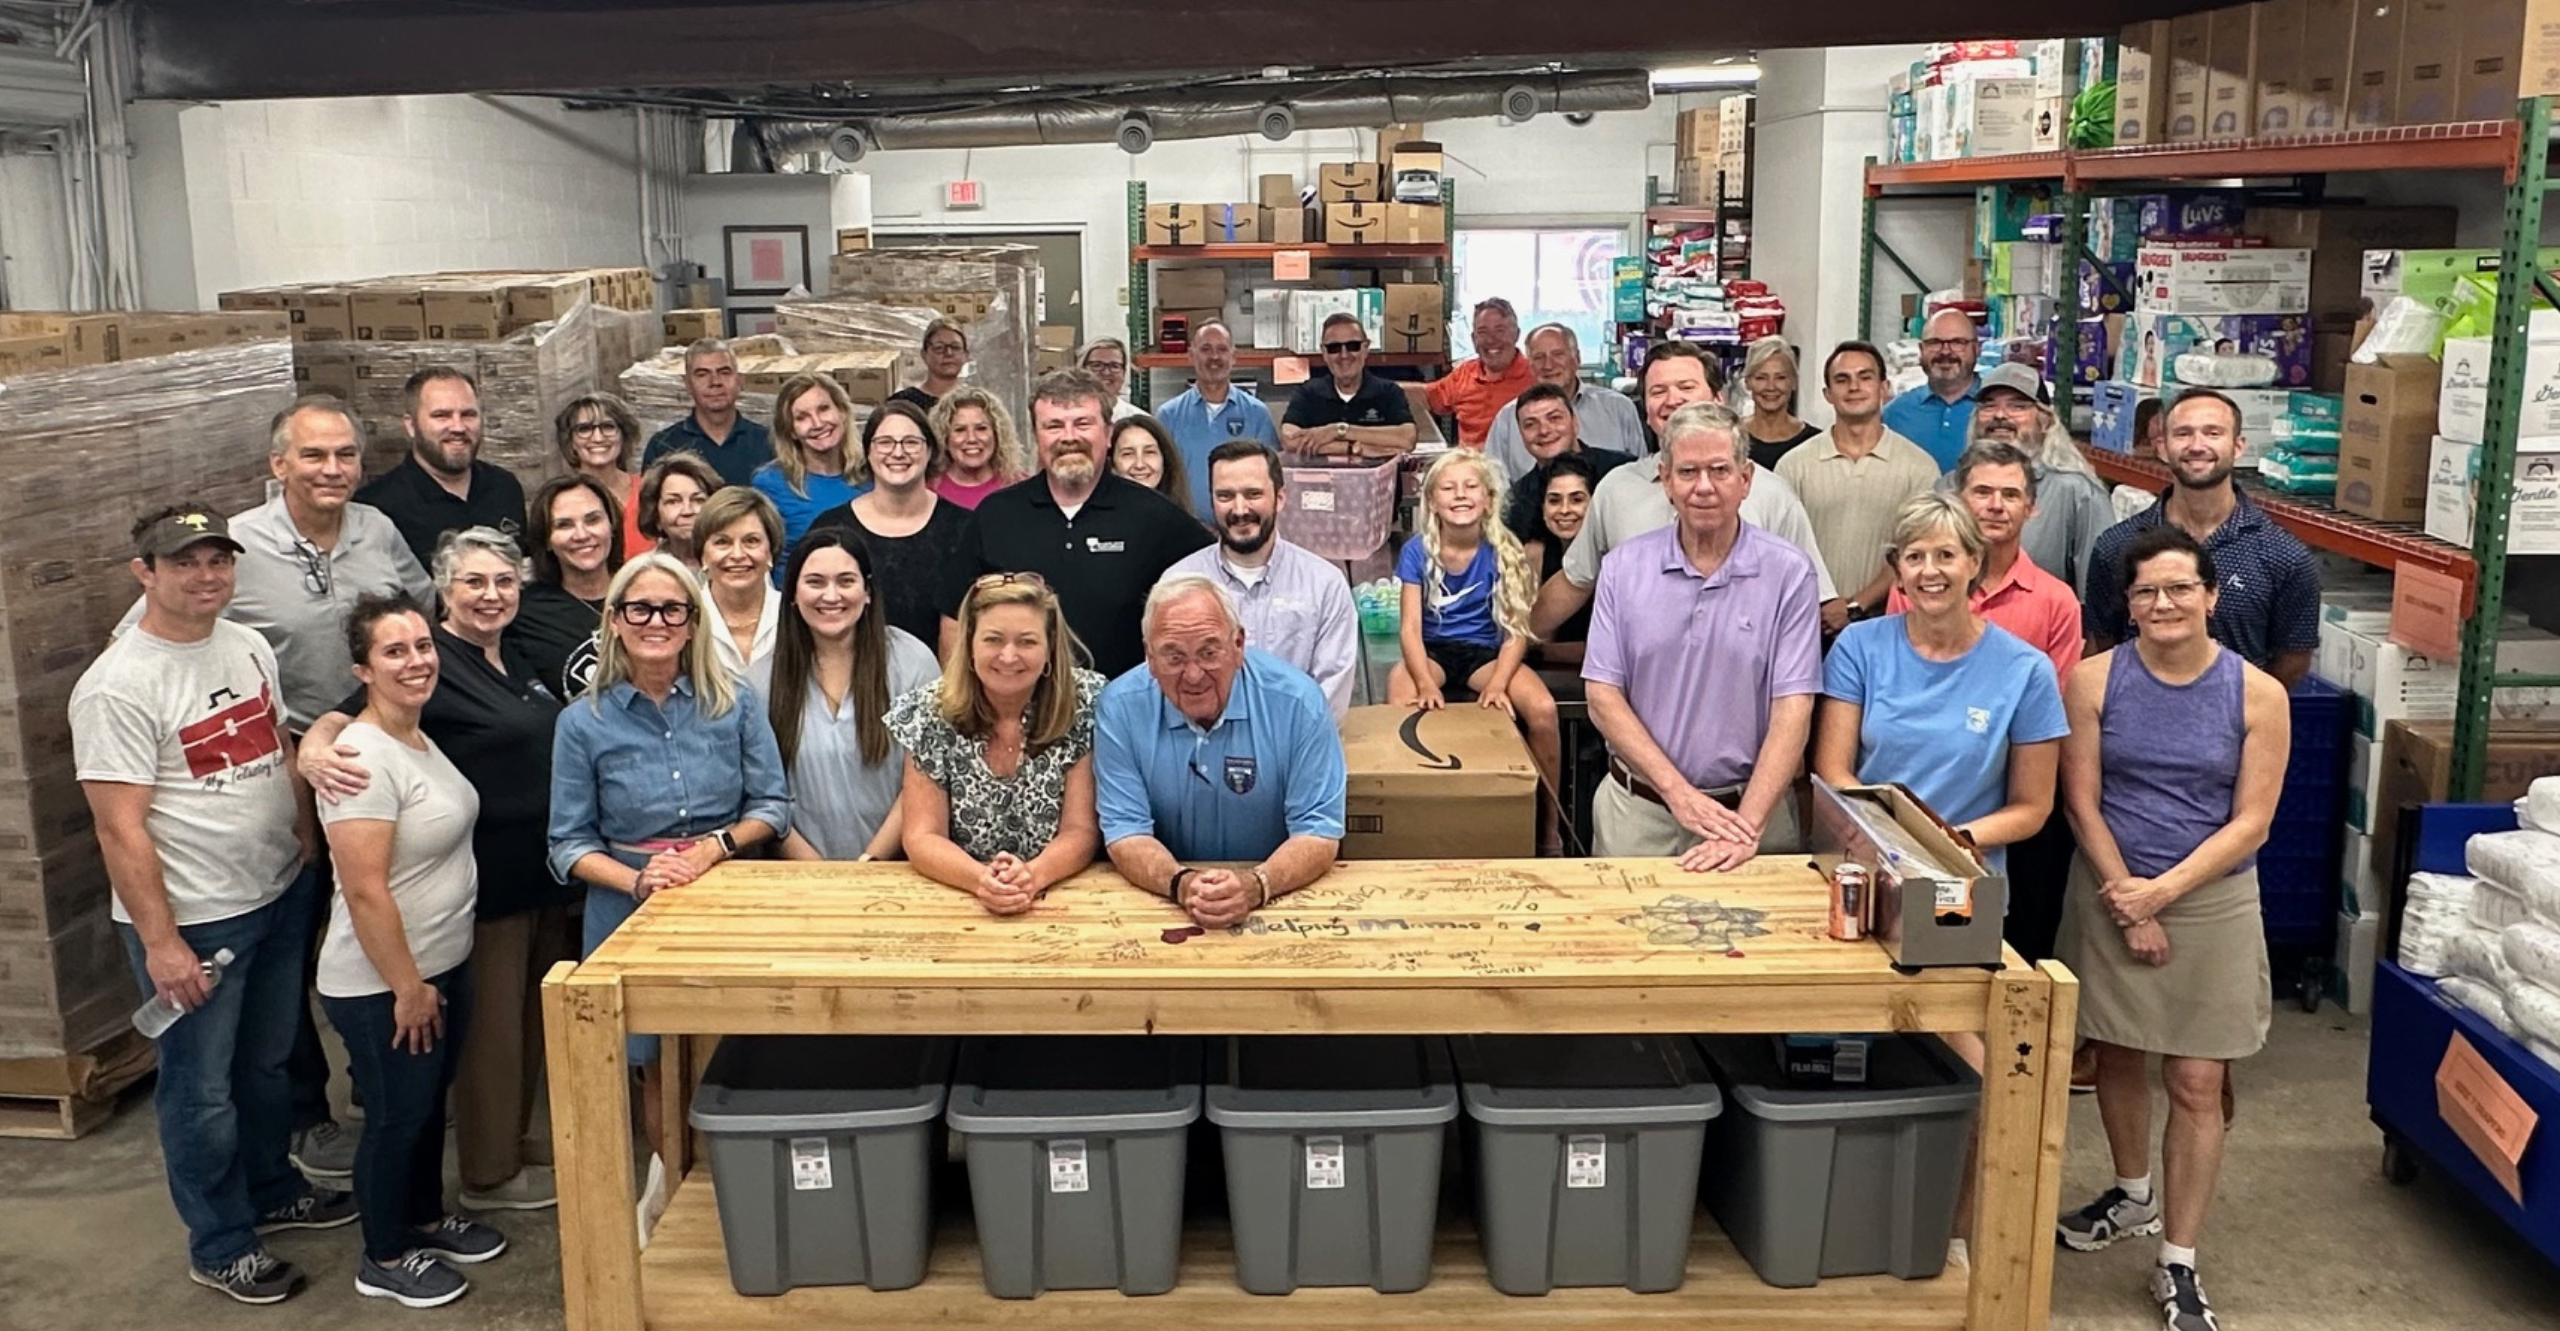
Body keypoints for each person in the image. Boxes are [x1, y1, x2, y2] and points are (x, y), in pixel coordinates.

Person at [75, 505, 352, 1305]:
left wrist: (303, 837)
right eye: (186, 563)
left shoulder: (247, 643)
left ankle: (272, 1188)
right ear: (145, 573)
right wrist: (162, 944)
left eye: (218, 561)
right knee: (201, 1088)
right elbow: (118, 827)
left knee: (266, 1066)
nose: (206, 577)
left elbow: (278, 748)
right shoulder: (118, 685)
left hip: (275, 889)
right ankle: (221, 1239)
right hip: (197, 918)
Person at [158, 396, 434, 1182]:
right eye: (314, 456)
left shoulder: (377, 529)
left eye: (346, 454)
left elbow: (418, 611)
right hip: (285, 766)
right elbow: (178, 644)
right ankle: (307, 1115)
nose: (333, 469)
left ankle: (385, 1084)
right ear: (279, 464)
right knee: (295, 934)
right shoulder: (232, 548)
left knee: (374, 917)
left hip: (375, 752)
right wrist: (293, 745)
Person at [2054, 527, 2289, 1331]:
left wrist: (2162, 895)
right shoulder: (2090, 682)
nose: (2164, 604)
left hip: (2211, 897)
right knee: (2117, 1050)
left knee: (2195, 1081)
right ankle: (2130, 1194)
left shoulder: (2258, 695)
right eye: (2148, 592)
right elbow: (2081, 800)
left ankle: (2178, 1261)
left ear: (2213, 597)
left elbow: (2252, 820)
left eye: (2180, 589)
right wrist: (2126, 892)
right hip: (2110, 881)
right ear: (2129, 604)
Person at [298, 529, 573, 1215]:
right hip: (487, 888)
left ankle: (511, 1141)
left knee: (529, 1029)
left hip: (543, 877)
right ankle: (488, 1171)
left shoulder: (515, 655)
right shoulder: (430, 659)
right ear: (444, 591)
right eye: (473, 582)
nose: (491, 595)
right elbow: (340, 716)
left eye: (504, 582)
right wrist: (311, 752)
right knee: (491, 1041)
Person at [546, 551, 790, 1198]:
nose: (656, 620)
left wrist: (713, 847)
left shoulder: (732, 702)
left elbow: (772, 804)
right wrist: (637, 880)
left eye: (672, 608)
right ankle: (686, 1192)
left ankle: (750, 1186)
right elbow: (567, 842)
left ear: (691, 621)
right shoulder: (581, 722)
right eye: (640, 607)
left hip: (730, 895)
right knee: (657, 1062)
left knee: (745, 1046)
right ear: (616, 620)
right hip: (631, 906)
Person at [316, 594, 511, 1307]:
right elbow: (366, 890)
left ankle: (424, 1216)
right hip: (382, 981)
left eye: (423, 646)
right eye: (394, 651)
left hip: (438, 961)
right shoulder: (359, 758)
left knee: (426, 1105)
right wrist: (406, 985)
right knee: (396, 1114)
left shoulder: (416, 737)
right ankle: (385, 1252)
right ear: (361, 668)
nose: (416, 661)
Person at [1581, 403, 1824, 870]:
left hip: (1752, 818)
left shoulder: (1789, 572)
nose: (1704, 487)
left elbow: (1794, 709)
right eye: (1689, 472)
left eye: (1720, 470)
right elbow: (1603, 697)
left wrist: (1745, 828)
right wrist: (1679, 795)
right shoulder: (1622, 569)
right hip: (1639, 816)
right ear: (1666, 481)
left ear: (1746, 479)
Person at [1814, 492, 2066, 886]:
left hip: (1964, 878)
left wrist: (1946, 844)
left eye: (1946, 555)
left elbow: (2032, 808)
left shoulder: (2027, 670)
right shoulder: (1858, 647)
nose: (1930, 571)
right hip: (1870, 867)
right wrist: (1890, 840)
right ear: (1897, 571)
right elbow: (1833, 769)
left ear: (1974, 561)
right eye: (1915, 557)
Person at [1904, 442, 2087, 964]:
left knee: (1998, 957)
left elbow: (2050, 711)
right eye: (1981, 492)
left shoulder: (2055, 601)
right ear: (1959, 499)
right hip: (1928, 797)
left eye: (2010, 494)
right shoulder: (1923, 583)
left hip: (2011, 812)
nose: (1995, 505)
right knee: (1912, 961)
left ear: (2033, 507)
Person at [1528, 342, 1840, 641]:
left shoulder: (1772, 494)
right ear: (1647, 412)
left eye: (1686, 387)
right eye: (1658, 391)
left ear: (1719, 400)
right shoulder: (1615, 490)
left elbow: (1811, 599)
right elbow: (1575, 581)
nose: (1672, 399)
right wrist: (1515, 643)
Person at [1096, 575, 1347, 928]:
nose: (1194, 674)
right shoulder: (1119, 708)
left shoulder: (1299, 702)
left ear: (1239, 644)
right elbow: (1126, 831)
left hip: (1277, 897)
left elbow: (1318, 831)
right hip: (1163, 900)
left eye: (1209, 652)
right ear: (1149, 657)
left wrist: (1256, 885)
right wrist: (1182, 885)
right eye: (1174, 657)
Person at [944, 370, 1213, 677]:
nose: (1069, 437)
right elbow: (954, 620)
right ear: (1036, 435)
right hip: (1019, 711)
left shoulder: (1154, 516)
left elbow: (1215, 585)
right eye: (1054, 425)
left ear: (1109, 433)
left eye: (1083, 423)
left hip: (1121, 712)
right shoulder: (996, 514)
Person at [887, 574, 1104, 914]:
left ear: (1049, 649)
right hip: (958, 895)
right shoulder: (928, 711)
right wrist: (981, 880)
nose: (1008, 655)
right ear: (969, 645)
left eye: (1027, 642)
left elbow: (1081, 831)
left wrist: (1031, 876)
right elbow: (922, 836)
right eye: (993, 639)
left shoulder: (1084, 704)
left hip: (1062, 892)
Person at [2083, 390, 2320, 687]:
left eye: (2213, 433)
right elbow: (2101, 644)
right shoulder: (2116, 547)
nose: (2197, 446)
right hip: (2136, 721)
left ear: (2238, 446)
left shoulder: (2284, 557)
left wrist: (2240, 708)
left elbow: (2293, 659)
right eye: (2183, 434)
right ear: (2162, 447)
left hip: (2239, 726)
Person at [1391, 449, 1562, 854]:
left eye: (1471, 487)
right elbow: (1410, 629)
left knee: (1543, 710)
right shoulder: (1417, 551)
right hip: (1432, 650)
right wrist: (1421, 681)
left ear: (1488, 498)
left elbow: (1516, 629)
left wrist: (1500, 683)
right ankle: (1408, 825)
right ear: (1432, 500)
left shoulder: (1506, 549)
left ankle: (1548, 826)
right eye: (1449, 488)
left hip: (1486, 652)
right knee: (1399, 702)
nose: (1461, 495)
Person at [754, 530, 941, 860]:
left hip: (899, 869)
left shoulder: (913, 662)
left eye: (845, 581)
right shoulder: (758, 680)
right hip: (798, 876)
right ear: (793, 594)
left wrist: (870, 863)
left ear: (867, 591)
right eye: (815, 582)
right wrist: (817, 874)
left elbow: (926, 779)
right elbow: (763, 796)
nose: (831, 595)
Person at [1163, 441, 1359, 719]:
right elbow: (1167, 683)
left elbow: (1330, 693)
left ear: (1280, 498)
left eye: (1253, 494)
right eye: (1225, 496)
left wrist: (1279, 747)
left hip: (1297, 754)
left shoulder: (1325, 585)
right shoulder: (1177, 585)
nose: (1240, 509)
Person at [1777, 341, 1940, 624]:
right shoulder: (1793, 466)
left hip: (1889, 624)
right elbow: (1780, 550)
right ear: (1828, 394)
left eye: (1865, 377)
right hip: (1806, 622)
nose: (1854, 387)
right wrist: (1820, 606)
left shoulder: (1920, 468)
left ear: (1884, 389)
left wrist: (1856, 604)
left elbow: (1919, 550)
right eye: (1842, 380)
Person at [810, 401, 979, 654]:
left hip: (943, 682)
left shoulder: (966, 528)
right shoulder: (832, 528)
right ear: (868, 451)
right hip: (853, 682)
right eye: (885, 442)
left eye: (911, 442)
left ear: (930, 450)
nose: (898, 453)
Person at [1963, 363, 2116, 593]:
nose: (2000, 415)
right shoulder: (1949, 485)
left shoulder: (2077, 492)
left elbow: (2101, 592)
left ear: (2044, 420)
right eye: (1989, 405)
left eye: (2017, 406)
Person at [357, 366, 527, 568]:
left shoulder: (504, 486)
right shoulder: (376, 508)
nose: (458, 427)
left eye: (468, 414)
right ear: (411, 425)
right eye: (441, 415)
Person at [1484, 323, 1648, 481]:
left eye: (1558, 354)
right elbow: (1494, 488)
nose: (1548, 365)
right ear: (1530, 366)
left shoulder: (1619, 408)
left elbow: (1642, 477)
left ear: (1577, 358)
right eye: (1539, 357)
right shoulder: (1508, 418)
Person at [512, 474, 623, 699]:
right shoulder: (524, 615)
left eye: (593, 520)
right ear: (546, 540)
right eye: (564, 525)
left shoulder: (646, 592)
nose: (582, 535)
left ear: (611, 525)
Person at [1154, 319, 1281, 514]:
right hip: (1185, 531)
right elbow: (1160, 481)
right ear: (1191, 356)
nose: (1214, 357)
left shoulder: (1257, 414)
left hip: (1243, 525)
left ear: (1234, 357)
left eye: (1222, 349)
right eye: (1205, 349)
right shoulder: (1168, 416)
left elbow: (1271, 478)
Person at [1496, 382, 1635, 543]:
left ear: (1575, 423)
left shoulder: (1621, 471)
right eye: (1531, 424)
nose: (1544, 431)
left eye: (1554, 418)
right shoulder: (1517, 503)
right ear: (1521, 434)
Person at [750, 372, 867, 552]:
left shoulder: (871, 475)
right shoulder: (770, 483)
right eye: (802, 417)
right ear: (791, 431)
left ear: (842, 412)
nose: (817, 423)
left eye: (824, 409)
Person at [1279, 313, 1419, 460]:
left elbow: (1407, 439)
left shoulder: (1389, 392)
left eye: (1353, 346)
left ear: (1366, 349)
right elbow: (1289, 439)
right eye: (1334, 348)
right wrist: (1353, 448)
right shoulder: (1308, 393)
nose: (1344, 355)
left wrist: (1337, 431)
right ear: (1324, 353)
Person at [640, 338, 774, 488]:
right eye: (702, 374)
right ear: (688, 384)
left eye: (724, 372)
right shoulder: (663, 446)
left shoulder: (768, 443)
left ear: (739, 381)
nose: (715, 382)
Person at [1514, 452, 1607, 663]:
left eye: (1577, 499)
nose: (1565, 510)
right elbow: (1527, 639)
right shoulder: (1531, 555)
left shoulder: (1613, 559)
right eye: (1554, 500)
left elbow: (1608, 649)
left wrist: (1543, 652)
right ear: (1542, 508)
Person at [693, 486, 784, 680]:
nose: (737, 555)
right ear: (703, 556)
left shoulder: (797, 615)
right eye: (722, 542)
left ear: (771, 551)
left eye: (751, 541)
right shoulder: (685, 620)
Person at [1423, 297, 1536, 448]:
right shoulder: (1465, 373)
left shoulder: (1537, 376)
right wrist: (1383, 389)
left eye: (1500, 330)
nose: (1491, 340)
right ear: (1473, 339)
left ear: (1517, 335)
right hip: (1472, 468)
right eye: (1483, 332)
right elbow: (1427, 396)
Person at [1883, 308, 1983, 471]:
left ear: (1977, 349)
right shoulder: (1894, 414)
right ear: (1921, 350)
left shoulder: (1996, 411)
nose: (1945, 351)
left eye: (1957, 342)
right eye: (1934, 343)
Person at [553, 393, 650, 558]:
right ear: (570, 441)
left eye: (608, 427)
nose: (598, 438)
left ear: (623, 435)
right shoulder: (558, 498)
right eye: (584, 429)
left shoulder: (650, 490)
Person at [928, 385, 1028, 510]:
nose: (972, 438)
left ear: (997, 433)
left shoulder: (1022, 487)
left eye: (981, 428)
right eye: (960, 430)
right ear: (944, 437)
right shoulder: (927, 491)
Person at [1739, 337, 1821, 469]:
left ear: (1794, 382)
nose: (1771, 387)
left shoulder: (1815, 442)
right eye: (1761, 378)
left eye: (1780, 378)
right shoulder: (1729, 437)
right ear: (1748, 382)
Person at [635, 453, 720, 569]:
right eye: (673, 501)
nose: (687, 511)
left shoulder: (731, 564)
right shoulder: (643, 571)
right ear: (655, 514)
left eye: (698, 500)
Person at [1108, 413, 1195, 516]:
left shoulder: (1186, 524)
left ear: (1165, 459)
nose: (1139, 464)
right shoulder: (1097, 523)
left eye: (1149, 452)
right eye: (1128, 454)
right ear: (1112, 464)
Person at [888, 318, 969, 411]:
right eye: (939, 348)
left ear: (966, 355)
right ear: (924, 354)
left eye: (955, 347)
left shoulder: (975, 402)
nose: (948, 353)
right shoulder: (903, 404)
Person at [1079, 336, 1145, 422]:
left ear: (1124, 372)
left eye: (1114, 366)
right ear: (1082, 369)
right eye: (1097, 365)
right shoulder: (1065, 415)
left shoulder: (1139, 421)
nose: (1106, 372)